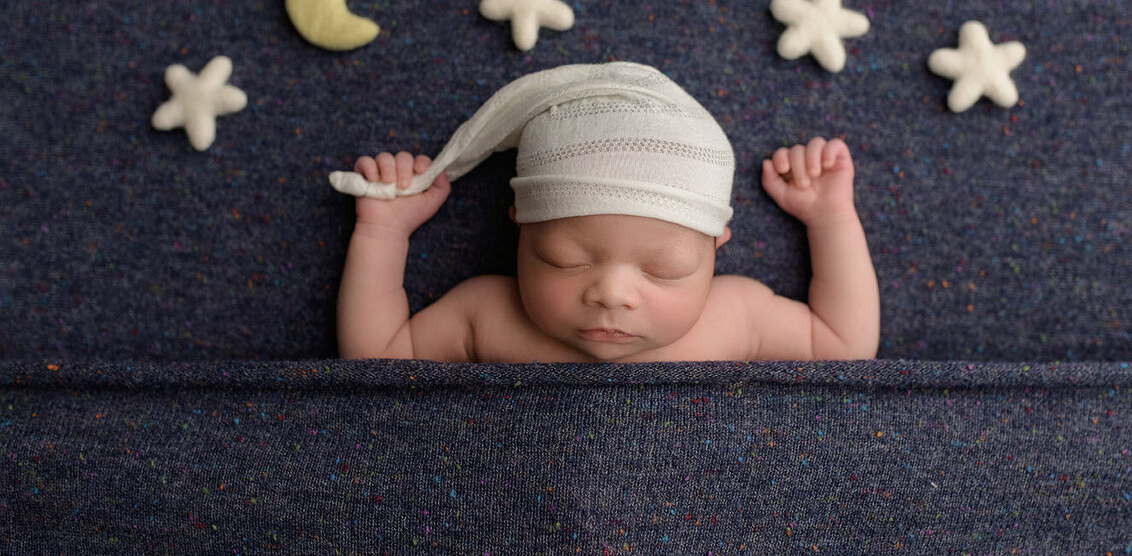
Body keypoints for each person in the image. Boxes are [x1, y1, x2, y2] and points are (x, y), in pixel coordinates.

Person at [335, 62, 878, 362]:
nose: (612, 293)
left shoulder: (734, 317)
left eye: (665, 267)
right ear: (520, 227)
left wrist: (830, 220)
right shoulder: (488, 313)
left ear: (716, 248)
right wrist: (384, 234)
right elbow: (374, 357)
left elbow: (844, 345)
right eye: (564, 259)